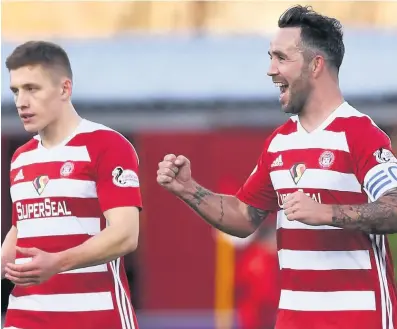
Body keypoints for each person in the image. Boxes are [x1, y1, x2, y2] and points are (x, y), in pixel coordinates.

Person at [157, 5, 397, 329]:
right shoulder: (279, 142)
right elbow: (244, 216)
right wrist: (188, 189)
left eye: (281, 58)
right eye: (271, 57)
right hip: (293, 320)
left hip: (359, 318)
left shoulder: (360, 134)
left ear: (315, 65)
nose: (271, 70)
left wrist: (327, 213)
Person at [1, 41, 142, 329]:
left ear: (65, 89)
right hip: (25, 317)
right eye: (16, 90)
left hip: (95, 318)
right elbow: (22, 229)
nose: (20, 102)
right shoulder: (20, 158)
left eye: (32, 88)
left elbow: (126, 235)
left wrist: (58, 262)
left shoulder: (108, 146)